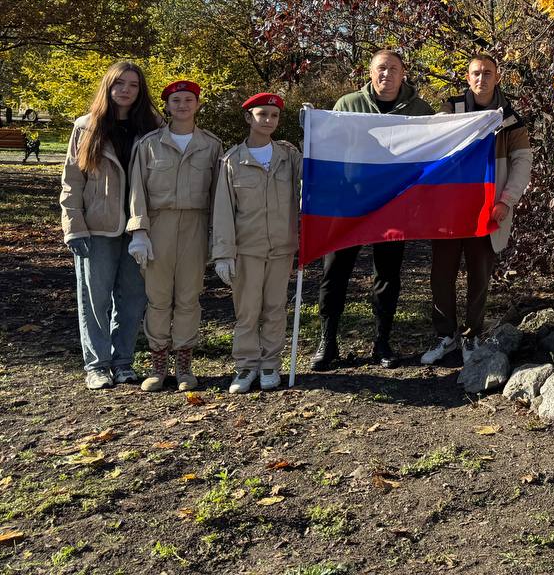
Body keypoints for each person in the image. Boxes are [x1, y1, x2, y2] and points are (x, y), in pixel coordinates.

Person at [311, 49, 435, 371]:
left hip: (393, 205)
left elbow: (435, 151)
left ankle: (382, 341)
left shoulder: (420, 110)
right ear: (370, 72)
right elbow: (328, 147)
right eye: (381, 68)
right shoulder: (347, 105)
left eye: (394, 69)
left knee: (388, 274)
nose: (387, 74)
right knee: (334, 272)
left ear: (403, 73)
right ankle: (328, 341)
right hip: (348, 204)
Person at [420, 54, 533, 364]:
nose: (481, 78)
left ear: (497, 77)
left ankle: (472, 337)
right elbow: (429, 147)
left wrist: (506, 201)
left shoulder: (510, 118)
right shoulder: (450, 110)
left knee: (479, 276)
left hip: (487, 209)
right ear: (467, 78)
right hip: (449, 209)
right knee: (441, 274)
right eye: (475, 73)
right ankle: (446, 336)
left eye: (487, 73)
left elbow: (523, 163)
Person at [60, 61, 162, 389]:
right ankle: (97, 365)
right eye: (119, 84)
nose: (126, 90)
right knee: (96, 299)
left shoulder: (153, 126)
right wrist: (73, 225)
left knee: (133, 298)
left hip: (140, 228)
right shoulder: (86, 127)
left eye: (133, 85)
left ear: (140, 89)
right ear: (108, 86)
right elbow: (71, 181)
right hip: (97, 227)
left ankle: (123, 362)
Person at [127, 81, 223, 392]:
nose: (182, 105)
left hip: (196, 225)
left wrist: (217, 238)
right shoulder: (149, 144)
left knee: (188, 297)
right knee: (157, 299)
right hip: (159, 225)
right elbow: (137, 189)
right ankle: (157, 364)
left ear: (197, 104)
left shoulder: (211, 145)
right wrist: (139, 230)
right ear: (167, 106)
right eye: (176, 100)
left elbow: (218, 196)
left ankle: (184, 364)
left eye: (189, 99)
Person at [211, 93, 302, 395]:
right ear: (249, 118)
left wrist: (316, 130)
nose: (268, 121)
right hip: (247, 249)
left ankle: (270, 365)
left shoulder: (288, 157)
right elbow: (223, 210)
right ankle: (246, 365)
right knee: (248, 311)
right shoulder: (232, 160)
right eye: (262, 114)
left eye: (274, 116)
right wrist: (223, 253)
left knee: (275, 308)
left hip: (281, 247)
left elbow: (315, 175)